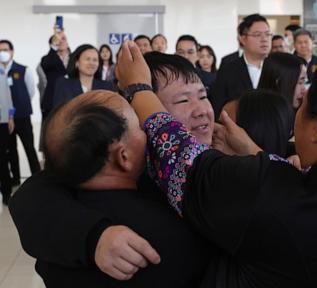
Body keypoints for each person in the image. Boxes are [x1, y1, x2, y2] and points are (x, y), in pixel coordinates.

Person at [119, 41, 317, 287]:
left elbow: (184, 161)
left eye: (303, 105)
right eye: (182, 99)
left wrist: (139, 90)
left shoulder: (271, 192)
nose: (202, 110)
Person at [9, 52, 214, 281]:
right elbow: (32, 197)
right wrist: (94, 237)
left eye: (204, 96)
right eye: (183, 100)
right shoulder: (125, 170)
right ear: (140, 111)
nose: (202, 110)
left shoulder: (226, 160)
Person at [211, 13, 272, 117]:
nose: (264, 39)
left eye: (267, 34)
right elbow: (218, 106)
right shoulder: (228, 70)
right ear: (242, 39)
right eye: (257, 34)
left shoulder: (276, 67)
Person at [0, 39, 41, 181]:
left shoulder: (23, 70)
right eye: (0, 50)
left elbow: (30, 91)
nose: (2, 53)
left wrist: (20, 104)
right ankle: (15, 179)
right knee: (10, 150)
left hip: (22, 116)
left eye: (5, 50)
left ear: (12, 52)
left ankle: (37, 179)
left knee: (29, 148)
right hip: (4, 118)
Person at [223, 52, 307, 120]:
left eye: (304, 82)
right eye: (300, 82)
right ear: (278, 82)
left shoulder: (301, 115)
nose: (304, 90)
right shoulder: (243, 112)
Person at [41, 28, 70, 120]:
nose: (60, 41)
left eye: (63, 38)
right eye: (58, 40)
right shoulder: (47, 59)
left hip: (71, 100)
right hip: (52, 102)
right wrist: (54, 46)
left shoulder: (76, 58)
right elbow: (45, 65)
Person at [0, 59, 15, 205]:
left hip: (2, 121)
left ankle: (6, 193)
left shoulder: (1, 69)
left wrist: (11, 116)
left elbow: (7, 94)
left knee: (2, 158)